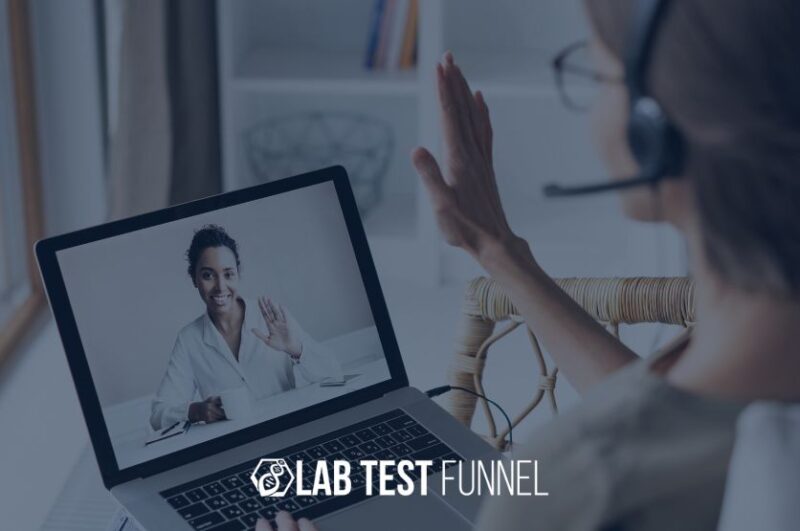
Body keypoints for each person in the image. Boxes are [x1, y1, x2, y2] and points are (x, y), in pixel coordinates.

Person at [259, 0, 800, 528]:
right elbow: (678, 435)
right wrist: (497, 250)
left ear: (653, 127)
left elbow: (639, 452)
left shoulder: (578, 487)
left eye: (601, 75)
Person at [150, 225, 342, 430]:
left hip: (291, 430)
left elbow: (334, 375)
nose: (220, 287)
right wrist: (196, 410)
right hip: (237, 444)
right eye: (208, 275)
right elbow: (158, 414)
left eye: (228, 274)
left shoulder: (272, 316)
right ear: (194, 279)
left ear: (238, 275)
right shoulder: (189, 340)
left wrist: (296, 349)